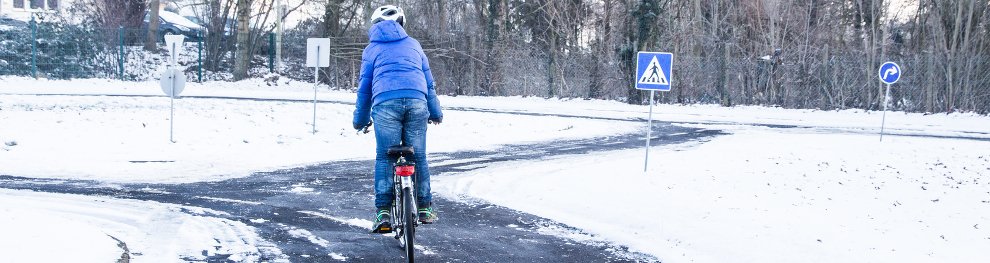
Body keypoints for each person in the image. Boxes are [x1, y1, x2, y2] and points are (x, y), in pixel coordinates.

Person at [352, 5, 443, 233]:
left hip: (385, 104)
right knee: (418, 156)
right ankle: (425, 208)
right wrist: (435, 112)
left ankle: (383, 213)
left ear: (375, 25)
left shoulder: (371, 50)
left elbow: (364, 89)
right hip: (417, 101)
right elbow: (429, 84)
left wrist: (360, 120)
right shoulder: (414, 45)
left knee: (385, 157)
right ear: (401, 24)